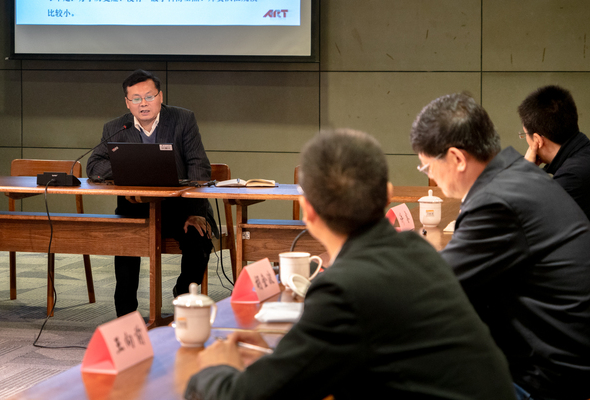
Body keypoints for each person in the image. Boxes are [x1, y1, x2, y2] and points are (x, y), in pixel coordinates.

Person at [185, 129, 516, 400]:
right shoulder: (417, 250)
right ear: (387, 195)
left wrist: (214, 367)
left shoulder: (344, 289)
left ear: (307, 211)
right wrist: (281, 360)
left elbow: (243, 397)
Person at [410, 92, 590, 400]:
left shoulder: (496, 201)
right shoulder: (519, 176)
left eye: (427, 168)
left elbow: (435, 287)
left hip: (547, 379)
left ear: (456, 158)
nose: (432, 177)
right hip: (563, 358)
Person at [87, 69, 217, 317]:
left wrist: (196, 212)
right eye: (136, 98)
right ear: (127, 102)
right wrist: (133, 163)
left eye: (149, 96)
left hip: (182, 209)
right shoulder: (116, 127)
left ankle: (182, 294)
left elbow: (199, 167)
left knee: (199, 238)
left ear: (160, 97)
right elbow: (94, 167)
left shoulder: (182, 119)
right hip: (134, 208)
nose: (143, 103)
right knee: (126, 241)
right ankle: (126, 314)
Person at [518, 84, 590, 219]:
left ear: (537, 140)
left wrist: (524, 175)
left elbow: (526, 221)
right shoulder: (583, 158)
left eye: (524, 134)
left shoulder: (570, 179)